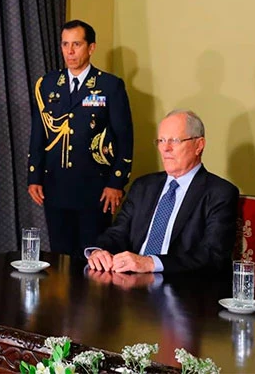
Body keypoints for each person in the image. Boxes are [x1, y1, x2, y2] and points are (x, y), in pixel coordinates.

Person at [27, 19, 134, 255]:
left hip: (95, 188)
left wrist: (116, 183)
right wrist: (34, 175)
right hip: (56, 185)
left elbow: (124, 138)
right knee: (60, 255)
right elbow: (39, 133)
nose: (70, 51)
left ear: (91, 47)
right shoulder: (48, 84)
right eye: (65, 44)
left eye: (76, 44)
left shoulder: (109, 86)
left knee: (93, 256)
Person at [86, 110, 239, 274]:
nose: (165, 148)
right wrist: (99, 251)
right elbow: (117, 233)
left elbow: (213, 255)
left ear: (199, 145)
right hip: (129, 279)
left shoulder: (220, 193)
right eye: (161, 140)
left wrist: (151, 263)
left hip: (181, 283)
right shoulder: (143, 186)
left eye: (175, 140)